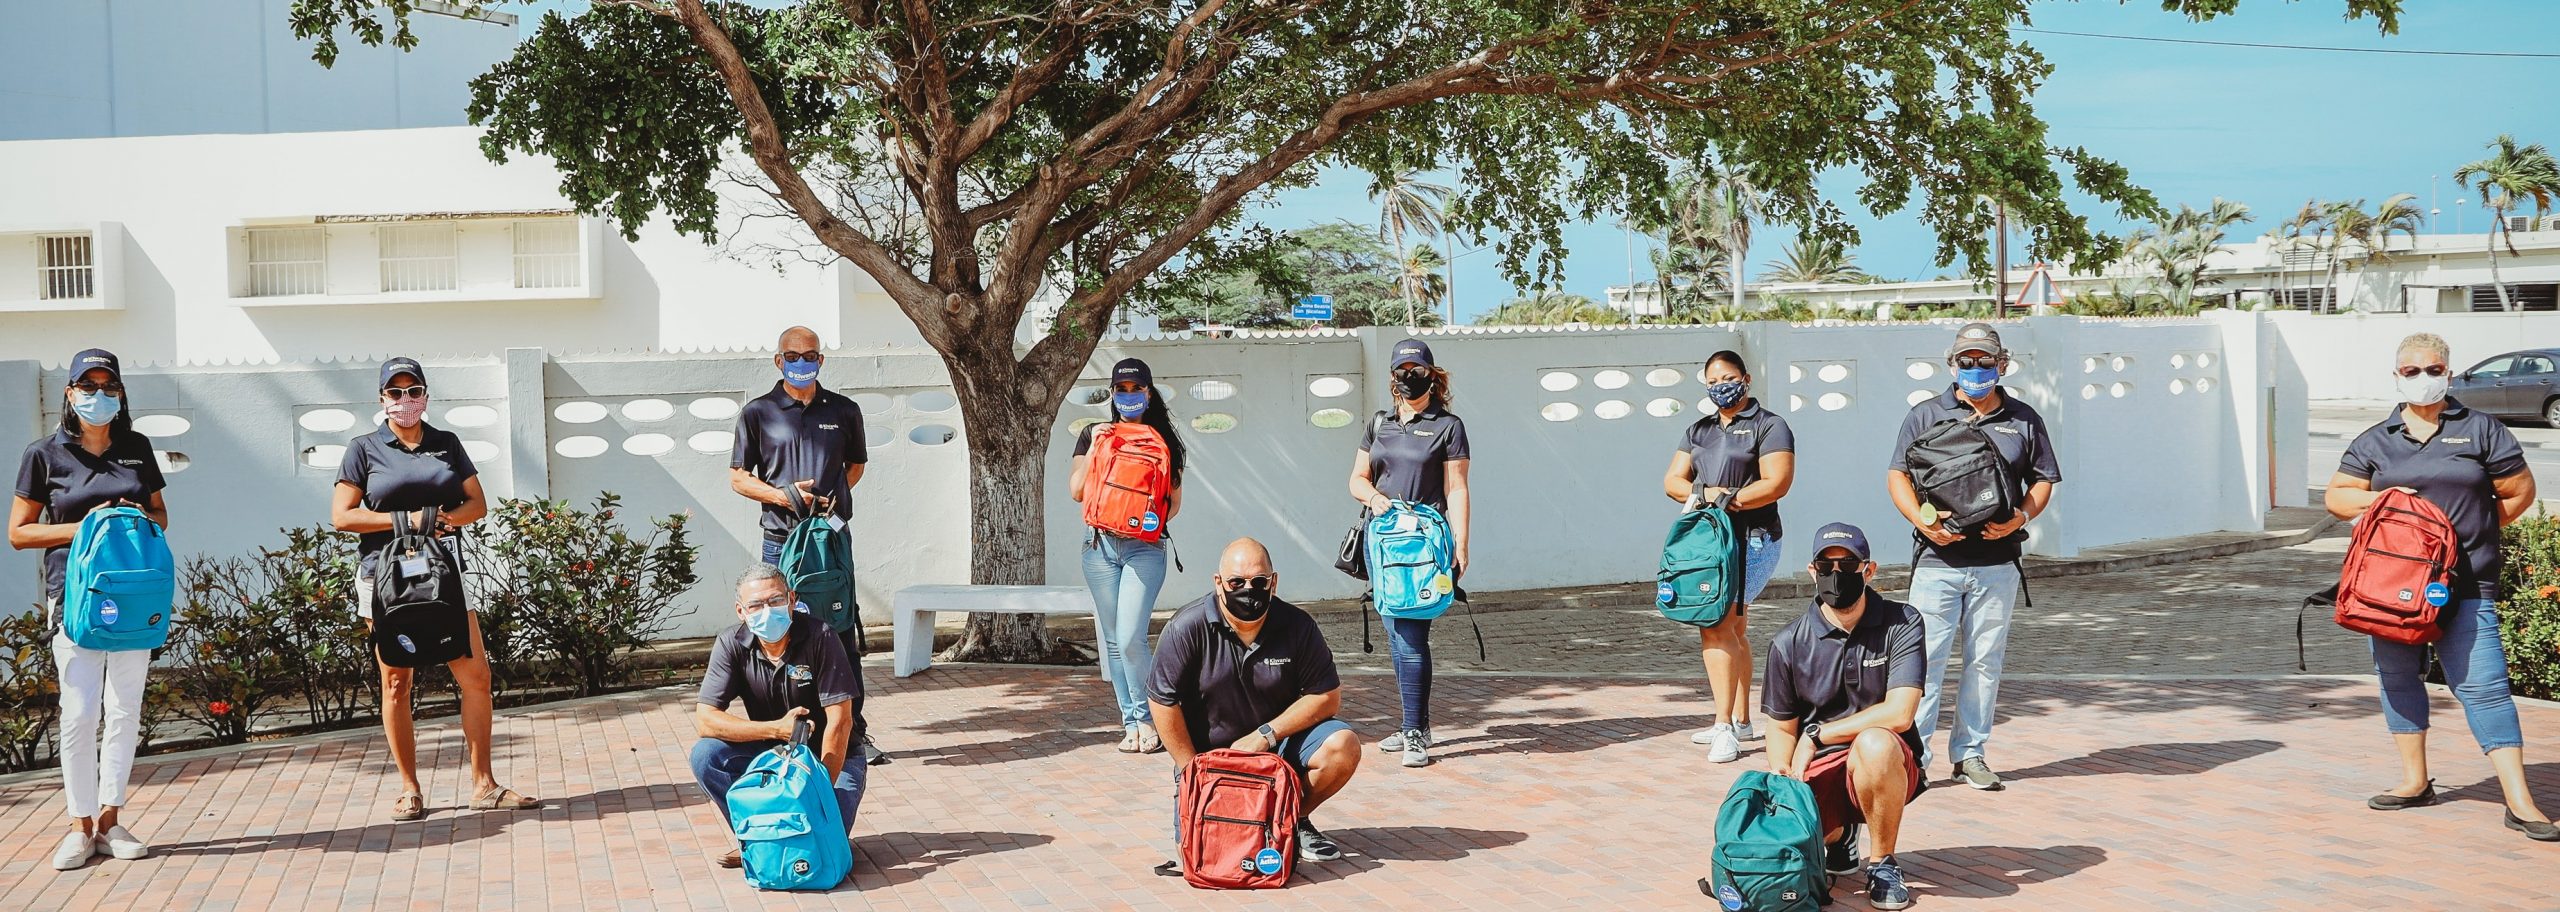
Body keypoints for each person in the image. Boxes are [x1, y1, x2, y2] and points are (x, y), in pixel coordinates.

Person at [2326, 332, 2554, 843]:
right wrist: (2380, 498)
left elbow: (2518, 492)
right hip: (2391, 587)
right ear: (2397, 376)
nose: (2422, 379)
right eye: (2410, 371)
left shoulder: (2482, 430)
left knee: (2485, 685)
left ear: (2448, 373)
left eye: (2432, 370)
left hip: (2468, 581)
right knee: (2398, 676)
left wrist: (2468, 532)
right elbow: (2338, 497)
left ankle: (2519, 800)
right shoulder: (2375, 439)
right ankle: (2414, 781)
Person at [331, 357, 538, 821]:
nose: (405, 401)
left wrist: (440, 519)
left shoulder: (446, 444)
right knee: (396, 681)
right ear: (382, 399)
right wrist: (402, 521)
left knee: (475, 677)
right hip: (382, 579)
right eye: (395, 392)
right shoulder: (363, 449)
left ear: (425, 395)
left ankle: (484, 785)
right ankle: (409, 789)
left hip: (444, 575)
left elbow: (476, 504)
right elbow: (343, 515)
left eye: (413, 390)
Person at [9, 349, 170, 870]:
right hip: (76, 597)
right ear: (69, 392)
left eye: (108, 386)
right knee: (80, 714)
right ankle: (78, 825)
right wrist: (88, 527)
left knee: (125, 710)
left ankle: (110, 818)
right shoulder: (45, 454)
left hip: (133, 595)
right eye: (87, 385)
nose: (97, 395)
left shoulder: (136, 448)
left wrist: (131, 517)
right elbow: (19, 532)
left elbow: (161, 516)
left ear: (120, 394)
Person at [1883, 322, 2058, 791]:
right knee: (1924, 663)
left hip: (1997, 564)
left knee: (1985, 662)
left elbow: (2043, 480)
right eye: (1967, 361)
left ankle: (1971, 754)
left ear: (2002, 365)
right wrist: (1922, 523)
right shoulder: (1925, 415)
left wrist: (2021, 517)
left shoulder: (2024, 419)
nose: (1975, 369)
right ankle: (1914, 758)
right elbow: (1897, 475)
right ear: (1952, 364)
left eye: (1985, 362)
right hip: (1937, 565)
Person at [1148, 538, 1361, 864]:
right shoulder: (1186, 628)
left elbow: (1327, 698)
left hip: (1279, 755)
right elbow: (1163, 702)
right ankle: (1260, 820)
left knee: (1343, 745)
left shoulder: (1298, 626)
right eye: (1237, 582)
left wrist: (1266, 734)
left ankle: (1289, 819)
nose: (1249, 589)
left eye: (1259, 582)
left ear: (1273, 583)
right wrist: (1191, 769)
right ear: (1218, 583)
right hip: (1211, 763)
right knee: (1200, 856)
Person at [730, 325, 885, 766]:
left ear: (821, 360)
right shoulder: (758, 413)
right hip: (781, 543)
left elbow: (855, 466)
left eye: (811, 355)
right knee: (779, 633)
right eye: (793, 356)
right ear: (778, 361)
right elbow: (738, 477)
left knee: (839, 633)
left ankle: (854, 736)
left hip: (830, 541)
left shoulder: (844, 410)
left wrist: (828, 503)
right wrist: (787, 498)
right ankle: (785, 733)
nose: (802, 363)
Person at [1762, 523, 1927, 911]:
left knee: (1875, 741)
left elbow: (1900, 713)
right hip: (1821, 765)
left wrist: (1818, 734)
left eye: (1848, 564)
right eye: (1826, 564)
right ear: (1812, 570)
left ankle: (1883, 864)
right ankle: (1838, 839)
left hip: (1885, 761)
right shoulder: (1788, 643)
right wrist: (1785, 778)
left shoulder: (1901, 622)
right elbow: (1781, 726)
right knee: (1780, 865)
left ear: (1869, 571)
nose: (1837, 574)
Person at [1662, 349, 1796, 763]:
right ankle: (1739, 719)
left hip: (1753, 538)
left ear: (1746, 379)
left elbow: (1777, 483)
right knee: (1733, 627)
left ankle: (1723, 729)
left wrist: (1729, 499)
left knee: (1716, 624)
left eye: (1729, 377)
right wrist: (1704, 495)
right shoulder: (1698, 430)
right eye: (1713, 381)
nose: (1722, 386)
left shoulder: (1769, 426)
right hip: (1711, 541)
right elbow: (1672, 481)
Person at [691, 563, 868, 868]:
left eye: (775, 601)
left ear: (791, 599)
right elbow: (706, 719)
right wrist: (775, 729)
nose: (767, 611)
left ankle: (789, 834)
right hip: (771, 753)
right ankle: (755, 839)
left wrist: (815, 792)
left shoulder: (821, 636)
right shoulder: (730, 643)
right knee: (706, 756)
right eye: (756, 605)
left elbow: (841, 722)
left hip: (830, 759)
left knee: (824, 846)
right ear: (740, 611)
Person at [1347, 338, 1470, 769]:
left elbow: (1457, 487)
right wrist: (1373, 498)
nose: (1407, 375)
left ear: (1432, 377)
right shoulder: (1378, 423)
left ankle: (1415, 730)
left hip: (1425, 544)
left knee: (1412, 636)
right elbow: (1357, 479)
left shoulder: (1448, 426)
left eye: (1416, 368)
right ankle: (1413, 723)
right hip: (1383, 544)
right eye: (1402, 368)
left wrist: (1461, 542)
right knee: (1395, 635)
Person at [1070, 358, 1187, 753]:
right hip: (1099, 547)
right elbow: (1076, 490)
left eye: (1137, 389)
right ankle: (1131, 724)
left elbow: (1173, 506)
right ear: (1113, 393)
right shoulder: (1093, 435)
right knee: (1114, 641)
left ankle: (1150, 719)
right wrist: (1098, 449)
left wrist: (1141, 514)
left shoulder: (1165, 440)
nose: (1129, 396)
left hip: (1144, 548)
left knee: (1131, 637)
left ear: (1149, 393)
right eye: (1122, 389)